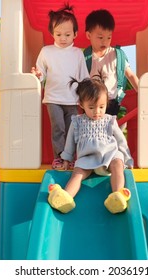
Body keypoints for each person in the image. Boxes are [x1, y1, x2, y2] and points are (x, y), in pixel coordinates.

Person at [47, 76, 134, 214]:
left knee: (118, 163)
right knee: (77, 173)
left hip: (109, 155)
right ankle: (66, 197)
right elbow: (69, 143)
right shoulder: (77, 122)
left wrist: (127, 159)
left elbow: (121, 140)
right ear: (81, 104)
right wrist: (66, 159)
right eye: (91, 107)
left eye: (101, 107)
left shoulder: (109, 120)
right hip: (87, 159)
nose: (97, 111)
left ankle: (117, 195)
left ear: (107, 103)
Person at [31, 4, 89, 169]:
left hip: (72, 100)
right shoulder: (46, 51)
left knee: (71, 131)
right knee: (58, 129)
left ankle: (69, 158)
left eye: (67, 34)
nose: (63, 38)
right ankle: (58, 158)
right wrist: (37, 75)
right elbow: (41, 73)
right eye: (58, 34)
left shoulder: (77, 53)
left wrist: (86, 97)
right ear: (52, 34)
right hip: (53, 99)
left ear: (75, 34)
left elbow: (84, 77)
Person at [84, 9, 139, 116]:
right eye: (100, 37)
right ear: (89, 35)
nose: (105, 41)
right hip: (91, 102)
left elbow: (131, 75)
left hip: (111, 101)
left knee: (108, 130)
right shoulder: (85, 57)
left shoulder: (117, 55)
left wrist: (142, 92)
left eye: (109, 37)